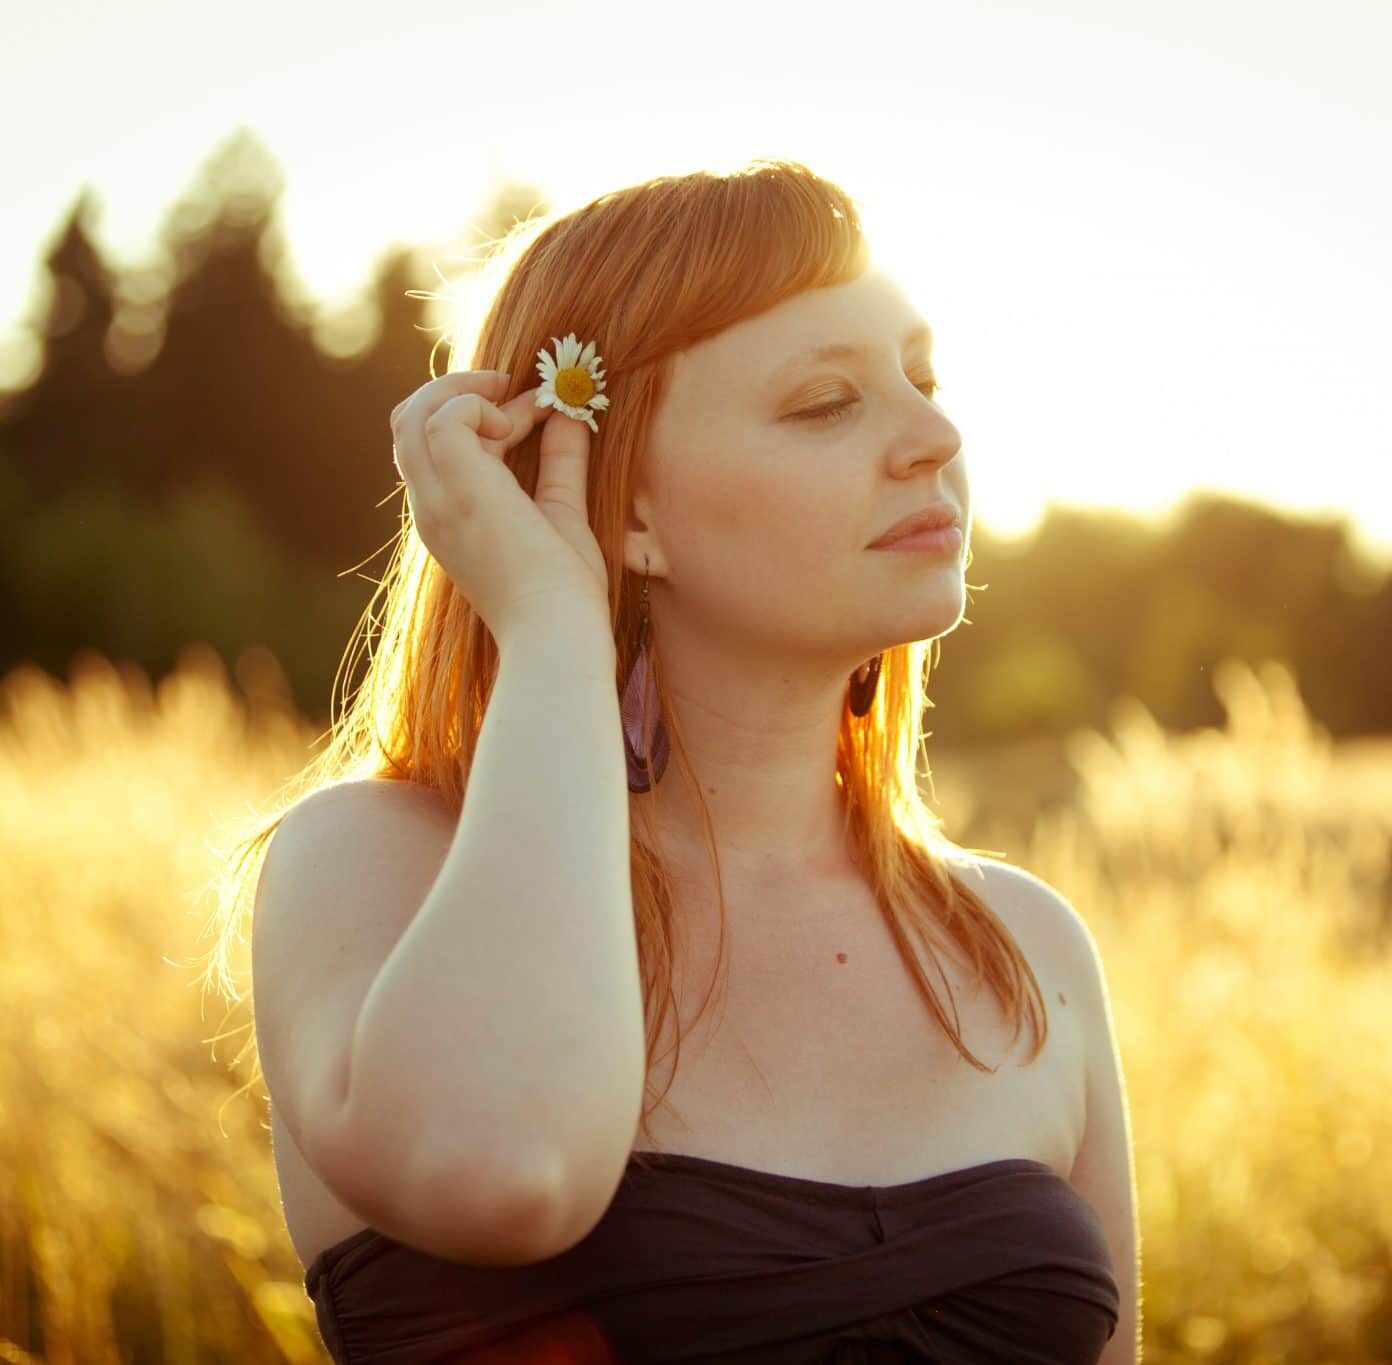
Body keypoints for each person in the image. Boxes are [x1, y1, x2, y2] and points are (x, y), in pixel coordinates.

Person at [203, 158, 1139, 1362]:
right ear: (622, 502)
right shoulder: (376, 865)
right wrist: (550, 629)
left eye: (926, 377)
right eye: (824, 403)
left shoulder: (1025, 948)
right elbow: (507, 1174)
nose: (937, 435)